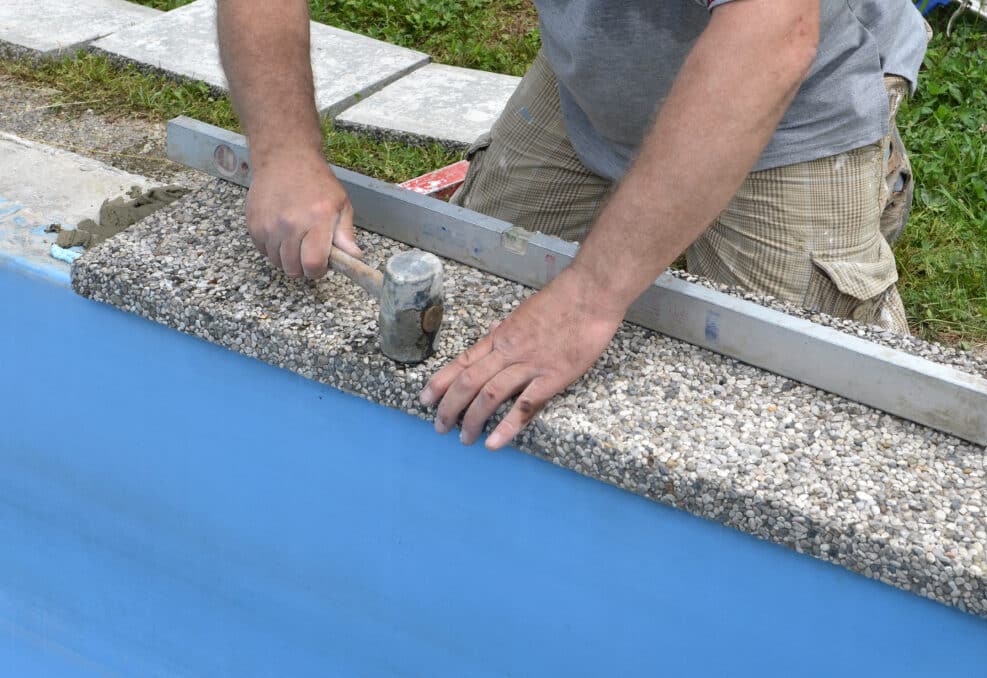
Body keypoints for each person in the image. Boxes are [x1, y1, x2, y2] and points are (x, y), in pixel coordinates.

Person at [217, 0, 929, 451]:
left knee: (810, 420)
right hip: (596, 61)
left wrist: (589, 296)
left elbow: (773, 28)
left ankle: (859, 199)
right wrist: (283, 152)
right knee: (478, 300)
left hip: (794, 87)